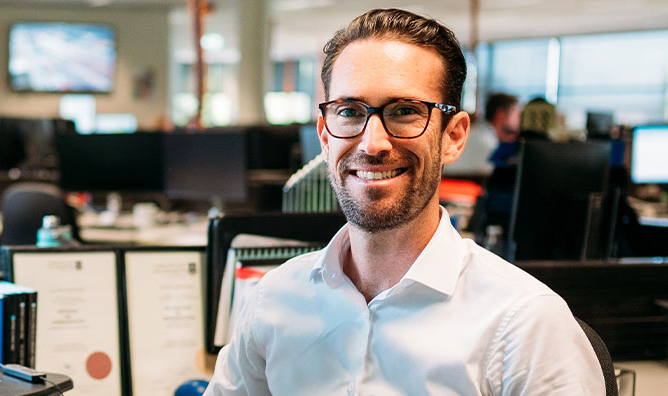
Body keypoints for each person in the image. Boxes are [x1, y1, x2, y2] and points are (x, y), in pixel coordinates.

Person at [205, 9, 603, 395]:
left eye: (405, 111)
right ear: (325, 136)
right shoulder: (273, 300)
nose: (372, 143)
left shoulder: (526, 324)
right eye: (349, 111)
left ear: (453, 136)